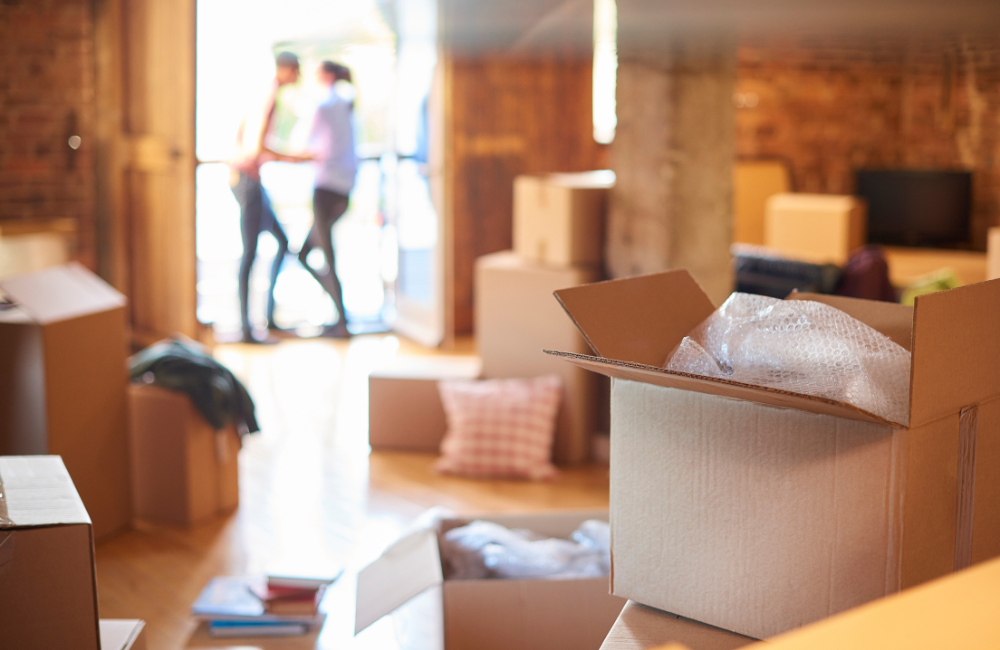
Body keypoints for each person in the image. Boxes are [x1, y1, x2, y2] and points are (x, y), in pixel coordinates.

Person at [230, 51, 309, 344]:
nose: (299, 77)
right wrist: (295, 158)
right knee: (250, 253)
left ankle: (267, 320)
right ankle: (247, 329)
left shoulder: (265, 93)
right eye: (297, 70)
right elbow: (257, 147)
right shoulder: (269, 97)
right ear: (287, 69)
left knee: (282, 242)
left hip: (250, 180)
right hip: (247, 180)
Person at [298, 61, 358, 338]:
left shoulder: (324, 104)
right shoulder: (348, 102)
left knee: (323, 255)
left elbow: (307, 144)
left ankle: (342, 320)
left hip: (325, 187)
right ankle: (340, 315)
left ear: (328, 75)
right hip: (344, 187)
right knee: (309, 253)